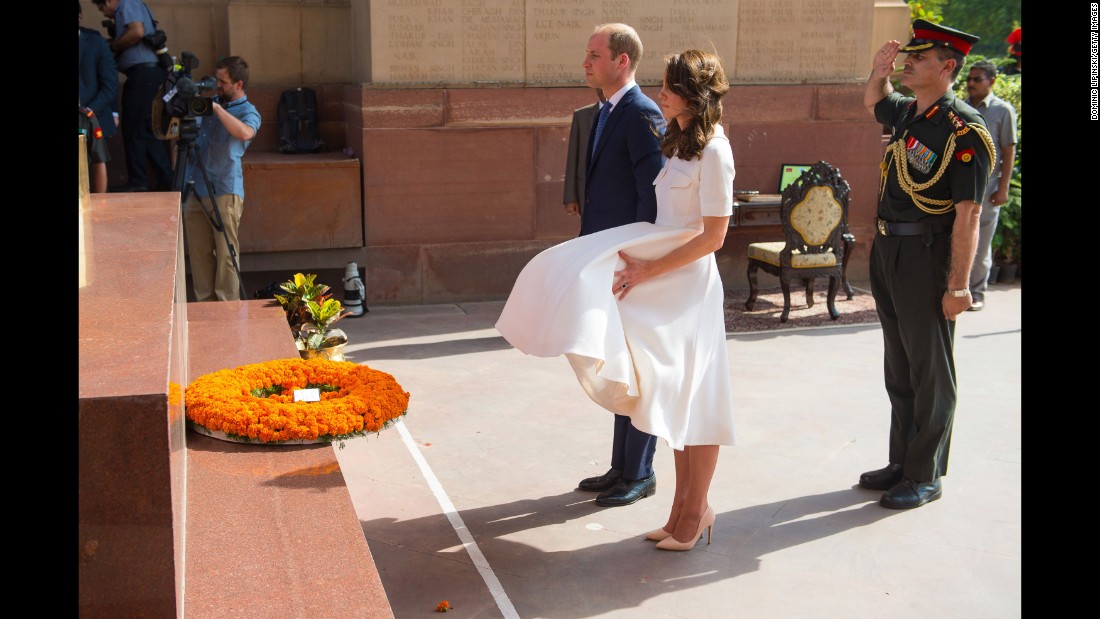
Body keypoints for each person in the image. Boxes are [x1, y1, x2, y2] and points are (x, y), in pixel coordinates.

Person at [498, 48, 736, 552]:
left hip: (687, 287)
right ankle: (679, 512)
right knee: (670, 396)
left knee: (697, 398)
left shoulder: (715, 150)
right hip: (661, 282)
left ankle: (694, 513)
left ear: (692, 92)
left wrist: (648, 266)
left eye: (671, 86)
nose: (662, 93)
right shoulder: (680, 145)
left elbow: (713, 235)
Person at [859, 20, 994, 509]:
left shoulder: (964, 130)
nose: (908, 61)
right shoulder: (910, 113)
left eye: (922, 56)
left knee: (931, 370)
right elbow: (875, 101)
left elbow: (969, 215)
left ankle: (925, 473)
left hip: (926, 256)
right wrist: (879, 71)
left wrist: (958, 285)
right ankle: (901, 461)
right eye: (908, 55)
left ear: (949, 66)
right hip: (890, 250)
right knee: (899, 366)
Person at [562, 23, 667, 508]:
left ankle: (641, 472)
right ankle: (621, 466)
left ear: (622, 60)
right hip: (607, 256)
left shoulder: (643, 113)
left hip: (631, 262)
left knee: (639, 367)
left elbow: (653, 193)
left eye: (594, 54)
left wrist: (641, 257)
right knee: (620, 363)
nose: (586, 62)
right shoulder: (607, 110)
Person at [182, 56, 261, 302]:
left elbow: (245, 133)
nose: (217, 86)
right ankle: (204, 306)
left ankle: (227, 309)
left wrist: (217, 110)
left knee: (227, 253)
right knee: (198, 253)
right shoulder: (209, 103)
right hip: (195, 188)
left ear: (238, 84)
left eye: (223, 82)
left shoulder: (248, 111)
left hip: (225, 189)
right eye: (216, 80)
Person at [93, 0, 173, 192]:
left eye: (102, 7)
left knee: (134, 127)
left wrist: (112, 47)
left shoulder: (127, 4)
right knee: (147, 128)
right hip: (145, 75)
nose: (104, 13)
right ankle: (164, 178)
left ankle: (139, 181)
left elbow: (136, 32)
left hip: (143, 75)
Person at [964, 60, 1017, 311]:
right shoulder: (959, 107)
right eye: (969, 79)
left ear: (992, 81)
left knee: (981, 242)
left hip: (987, 188)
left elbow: (1009, 149)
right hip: (958, 186)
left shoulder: (1002, 110)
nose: (971, 83)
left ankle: (977, 292)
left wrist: (1003, 187)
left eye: (977, 79)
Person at [79, 1, 118, 194]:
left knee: (97, 161)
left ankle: (99, 209)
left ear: (79, 18)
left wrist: (87, 112)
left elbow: (110, 86)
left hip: (93, 115)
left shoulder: (95, 42)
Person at [563, 88, 606, 217]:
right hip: (586, 190)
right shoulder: (581, 116)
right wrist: (570, 197)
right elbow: (573, 157)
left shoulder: (627, 113)